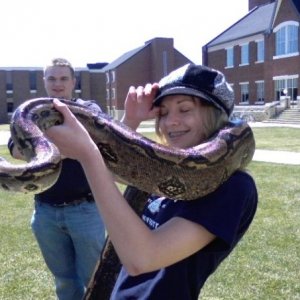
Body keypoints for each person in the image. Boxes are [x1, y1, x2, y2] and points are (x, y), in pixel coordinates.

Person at [45, 64, 258, 300]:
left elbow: (142, 258)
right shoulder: (161, 169)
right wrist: (131, 120)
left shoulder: (233, 187)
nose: (170, 122)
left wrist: (88, 154)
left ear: (215, 115)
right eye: (164, 112)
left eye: (185, 109)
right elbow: (116, 173)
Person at [7, 58, 105, 300]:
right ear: (44, 82)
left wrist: (44, 146)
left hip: (86, 210)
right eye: (52, 78)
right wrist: (70, 146)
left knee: (96, 277)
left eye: (63, 78)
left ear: (73, 81)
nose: (58, 84)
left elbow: (98, 145)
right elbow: (15, 150)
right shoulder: (30, 113)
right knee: (63, 280)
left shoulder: (89, 109)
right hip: (45, 212)